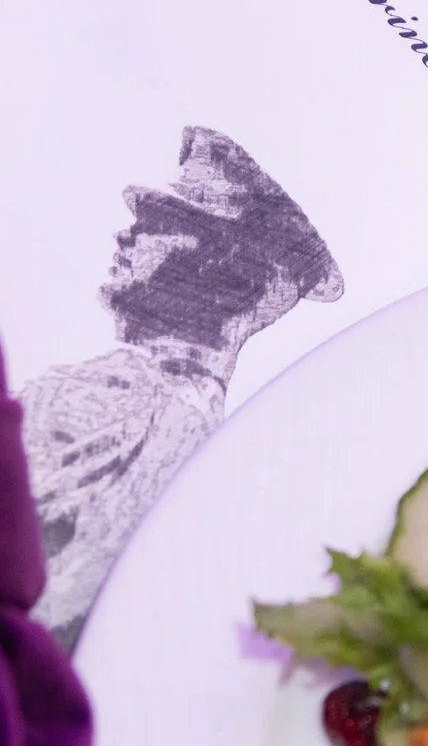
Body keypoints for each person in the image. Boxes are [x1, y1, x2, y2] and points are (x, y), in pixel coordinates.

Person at [18, 126, 343, 647]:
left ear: (225, 272)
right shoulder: (193, 414)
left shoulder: (139, 398)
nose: (128, 236)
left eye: (160, 225)